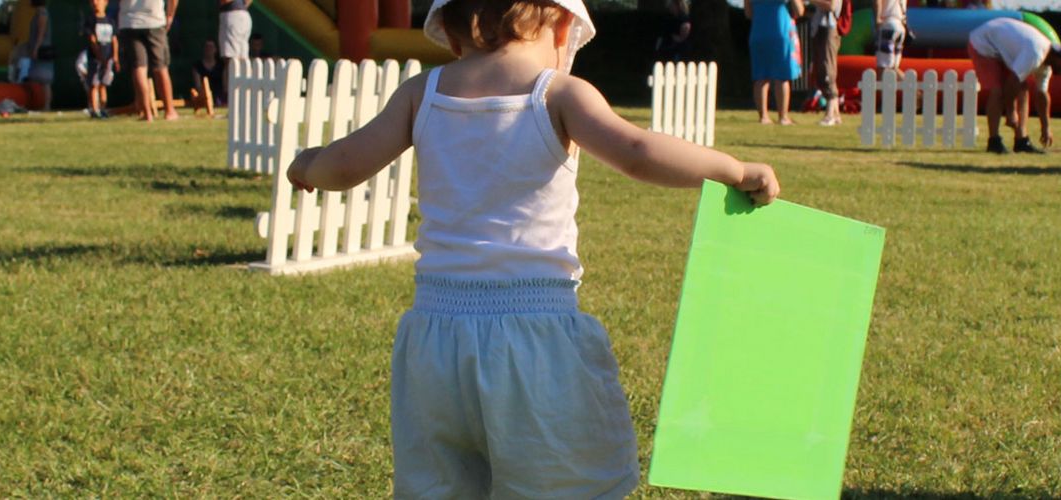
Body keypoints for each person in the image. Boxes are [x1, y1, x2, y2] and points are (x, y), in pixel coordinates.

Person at [283, 0, 780, 495]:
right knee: (557, 482)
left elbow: (347, 163)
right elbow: (637, 151)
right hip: (534, 336)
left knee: (444, 485)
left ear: (451, 31)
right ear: (562, 25)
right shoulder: (557, 94)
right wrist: (734, 170)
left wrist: (309, 163)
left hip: (435, 339)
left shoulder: (422, 94)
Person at [968, 17, 1061, 154]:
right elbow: (1012, 82)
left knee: (1023, 89)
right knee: (997, 91)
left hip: (1000, 41)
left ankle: (1021, 140)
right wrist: (1011, 112)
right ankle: (994, 141)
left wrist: (1046, 127)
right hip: (983, 42)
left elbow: (1042, 95)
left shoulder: (1047, 66)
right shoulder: (1036, 53)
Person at [120, 0, 180, 121]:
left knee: (139, 68)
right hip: (154, 19)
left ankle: (146, 112)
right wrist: (170, 15)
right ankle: (169, 110)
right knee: (160, 67)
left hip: (130, 21)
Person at [746, 0, 803, 125]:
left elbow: (749, 13)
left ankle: (763, 116)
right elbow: (799, 11)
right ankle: (783, 117)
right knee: (781, 77)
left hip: (758, 32)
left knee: (760, 77)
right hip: (780, 30)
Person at [11, 0, 55, 111]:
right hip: (39, 49)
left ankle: (46, 105)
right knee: (41, 80)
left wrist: (36, 48)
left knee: (45, 81)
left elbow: (41, 32)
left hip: (41, 50)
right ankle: (42, 104)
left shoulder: (42, 13)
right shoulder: (39, 13)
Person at [81, 0, 119, 118]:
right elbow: (92, 40)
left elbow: (114, 40)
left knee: (103, 84)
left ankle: (103, 109)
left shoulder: (110, 21)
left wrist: (115, 58)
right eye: (93, 1)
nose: (95, 3)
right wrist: (99, 56)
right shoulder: (90, 21)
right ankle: (95, 109)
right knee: (94, 84)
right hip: (95, 59)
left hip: (108, 60)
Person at [807, 0, 843, 125]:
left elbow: (831, 5)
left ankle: (829, 114)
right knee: (823, 68)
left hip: (828, 27)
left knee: (827, 70)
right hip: (820, 27)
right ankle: (836, 113)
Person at [192, 39, 228, 116]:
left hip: (219, 96)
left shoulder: (222, 66)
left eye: (211, 47)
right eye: (207, 47)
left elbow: (225, 86)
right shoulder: (197, 66)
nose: (209, 49)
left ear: (216, 49)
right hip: (203, 95)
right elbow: (198, 85)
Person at [873, 0, 905, 70]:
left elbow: (877, 2)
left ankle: (909, 81)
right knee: (894, 68)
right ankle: (907, 80)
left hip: (887, 24)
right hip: (900, 26)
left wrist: (877, 19)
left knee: (883, 67)